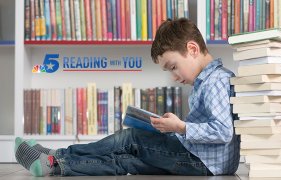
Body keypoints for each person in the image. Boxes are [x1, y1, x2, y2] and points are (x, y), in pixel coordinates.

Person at [14, 18, 240, 177]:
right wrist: (176, 126)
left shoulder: (215, 80)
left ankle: (57, 155)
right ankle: (53, 166)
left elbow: (223, 131)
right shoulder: (207, 80)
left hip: (201, 161)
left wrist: (181, 127)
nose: (174, 76)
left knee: (130, 138)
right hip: (203, 160)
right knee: (126, 161)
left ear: (192, 49)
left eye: (173, 66)